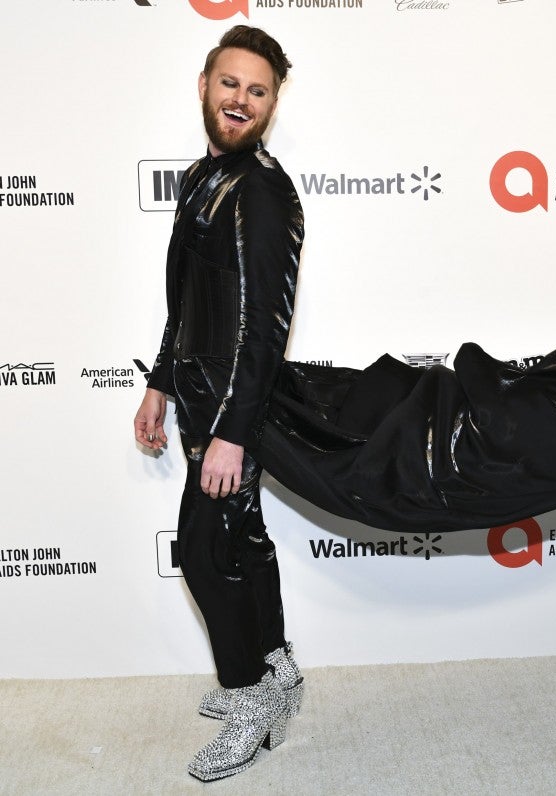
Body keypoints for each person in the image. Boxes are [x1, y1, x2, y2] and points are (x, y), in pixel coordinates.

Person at [133, 26, 304, 781]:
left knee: (209, 554)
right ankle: (278, 671)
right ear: (204, 84)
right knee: (242, 542)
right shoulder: (207, 176)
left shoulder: (262, 191)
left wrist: (232, 433)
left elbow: (264, 327)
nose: (241, 99)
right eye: (230, 83)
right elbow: (190, 302)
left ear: (271, 105)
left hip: (235, 408)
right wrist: (161, 382)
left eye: (257, 91)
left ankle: (250, 699)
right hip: (202, 398)